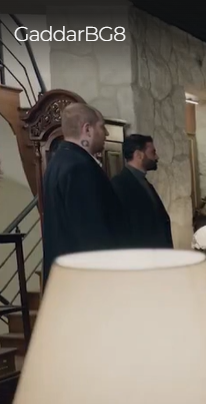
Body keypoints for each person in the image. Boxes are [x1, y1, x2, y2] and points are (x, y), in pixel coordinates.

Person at [40, 103, 126, 284]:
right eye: (102, 127)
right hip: (87, 278)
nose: (106, 133)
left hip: (66, 274)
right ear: (87, 129)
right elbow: (91, 232)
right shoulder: (80, 168)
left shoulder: (58, 162)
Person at [112, 134, 173, 248]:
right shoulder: (119, 184)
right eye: (153, 153)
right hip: (140, 253)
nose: (157, 157)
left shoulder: (144, 182)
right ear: (139, 155)